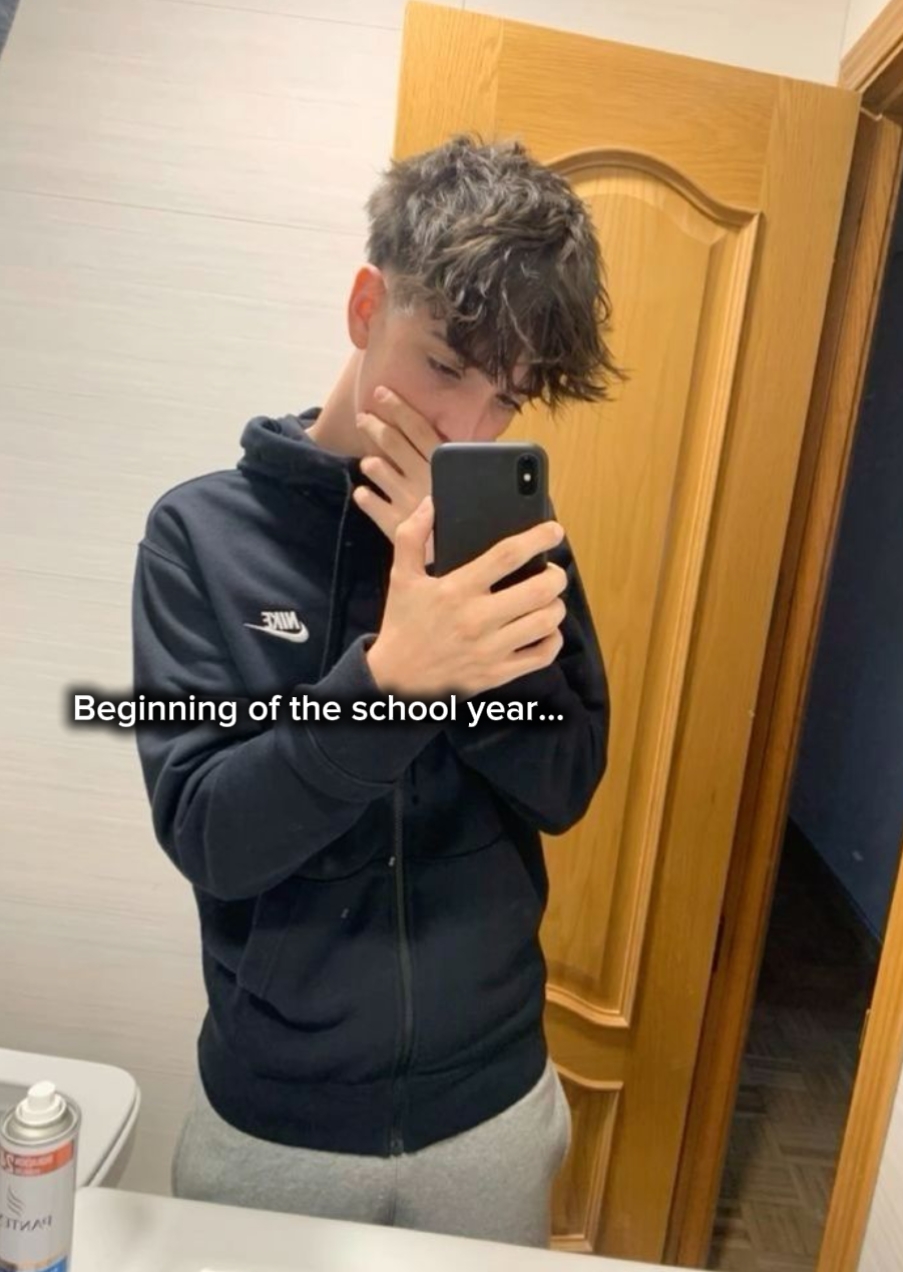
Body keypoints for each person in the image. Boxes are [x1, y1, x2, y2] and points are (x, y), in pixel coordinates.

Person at [133, 133, 622, 1247]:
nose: (466, 429)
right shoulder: (202, 536)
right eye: (445, 367)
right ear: (366, 308)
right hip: (275, 1126)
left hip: (492, 1109)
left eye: (506, 399)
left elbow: (564, 785)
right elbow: (213, 835)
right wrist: (395, 679)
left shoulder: (512, 544)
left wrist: (460, 603)